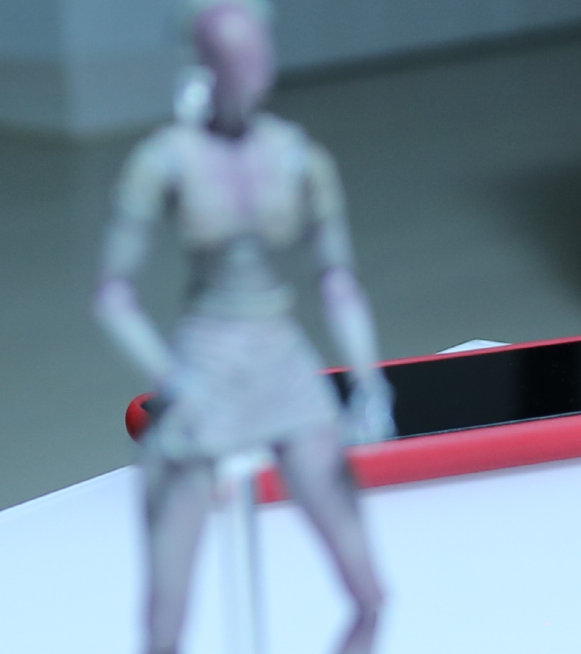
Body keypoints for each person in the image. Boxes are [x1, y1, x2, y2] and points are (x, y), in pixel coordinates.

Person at [94, 2, 390, 652]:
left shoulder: (299, 158)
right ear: (205, 64)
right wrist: (171, 377)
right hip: (204, 365)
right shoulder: (165, 161)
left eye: (256, 54)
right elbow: (113, 294)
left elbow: (338, 281)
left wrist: (370, 379)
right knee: (166, 617)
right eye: (233, 58)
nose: (249, 71)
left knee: (369, 592)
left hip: (282, 362)